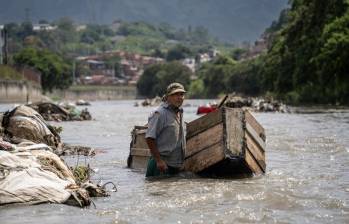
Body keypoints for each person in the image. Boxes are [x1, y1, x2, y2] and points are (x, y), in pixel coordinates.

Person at [145, 82, 186, 177]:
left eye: (182, 94)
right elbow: (149, 138)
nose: (179, 97)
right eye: (175, 94)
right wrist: (159, 161)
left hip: (174, 165)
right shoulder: (159, 113)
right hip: (160, 165)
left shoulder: (180, 112)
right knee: (158, 191)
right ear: (168, 97)